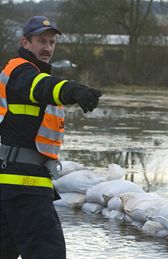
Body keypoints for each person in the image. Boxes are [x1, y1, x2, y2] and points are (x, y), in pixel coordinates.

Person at [0, 16, 102, 259]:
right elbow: (41, 87)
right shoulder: (21, 72)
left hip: (10, 180)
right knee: (48, 252)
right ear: (25, 42)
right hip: (25, 184)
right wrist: (74, 90)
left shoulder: (19, 72)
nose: (47, 48)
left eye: (51, 42)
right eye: (40, 41)